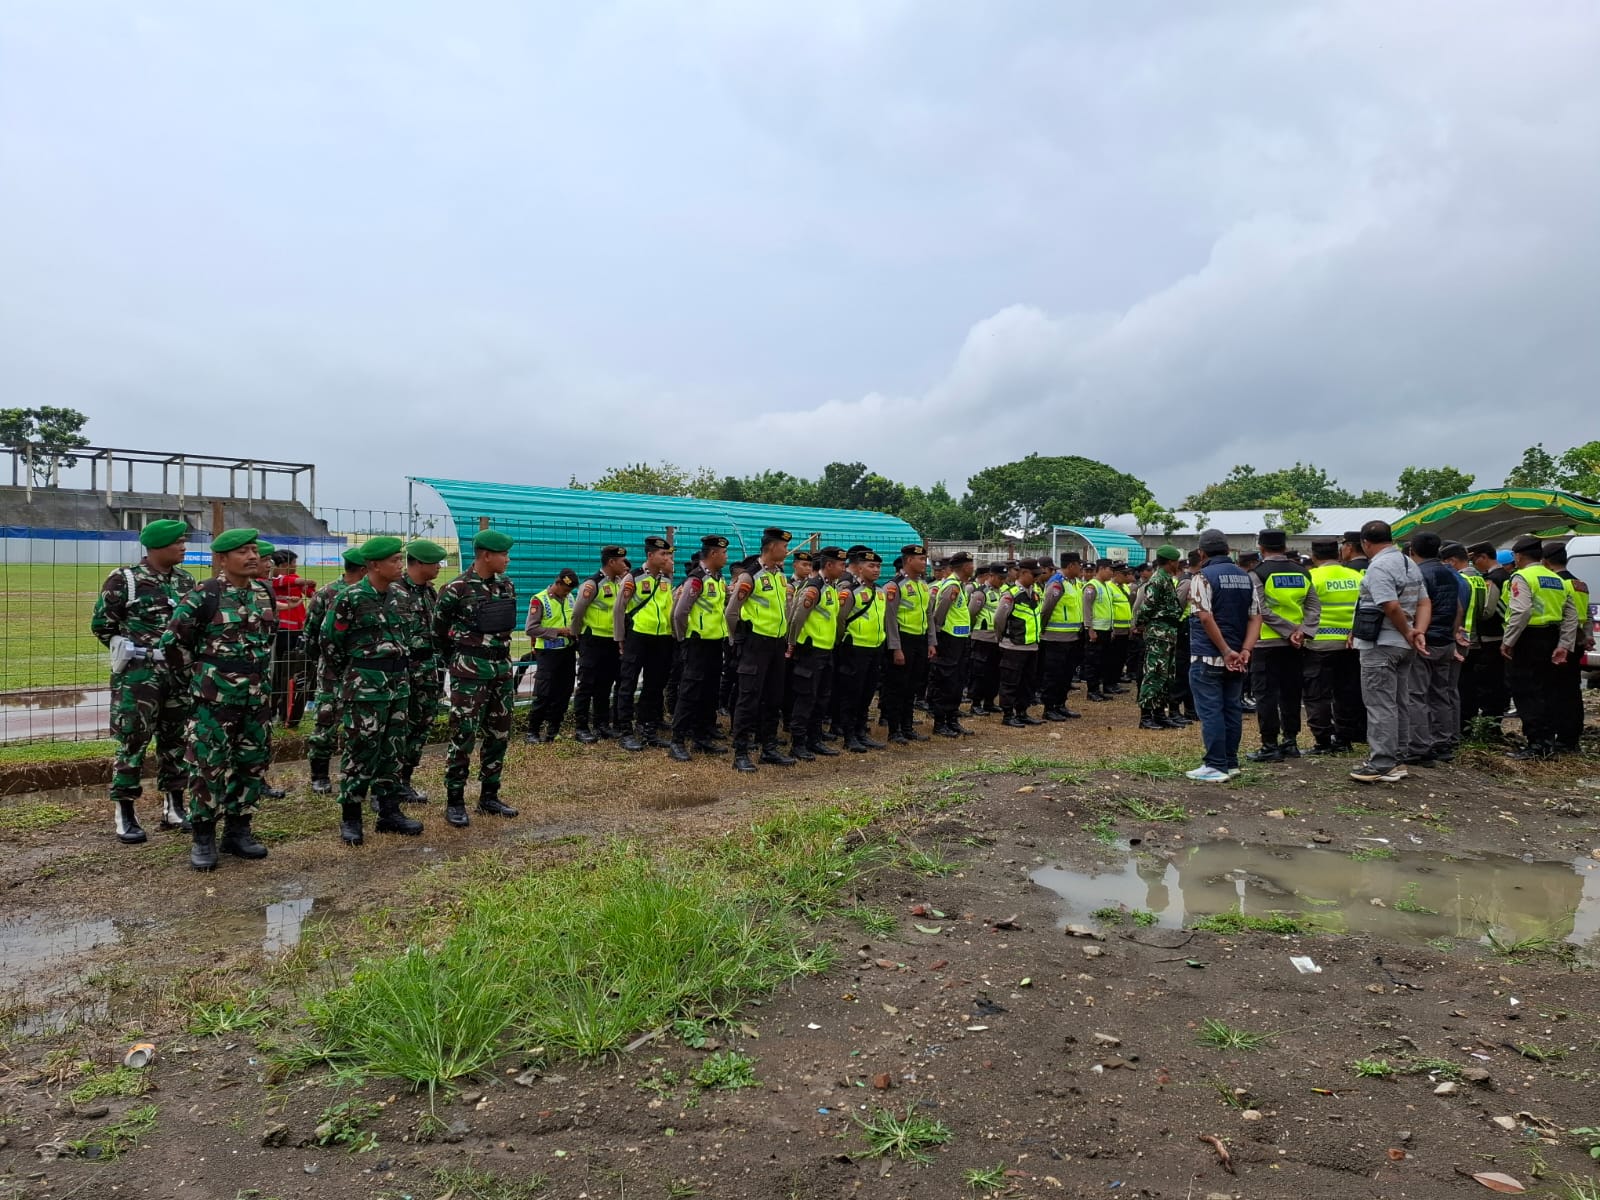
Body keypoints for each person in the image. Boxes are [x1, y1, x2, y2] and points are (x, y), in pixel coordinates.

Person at [158, 528, 277, 870]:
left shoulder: (264, 592)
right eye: (243, 551)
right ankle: (203, 837)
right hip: (214, 701)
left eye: (254, 550)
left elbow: (267, 638)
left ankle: (239, 831)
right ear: (223, 559)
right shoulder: (205, 594)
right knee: (208, 767)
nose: (252, 556)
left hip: (256, 699)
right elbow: (173, 643)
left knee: (251, 763)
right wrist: (198, 680)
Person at [91, 519, 197, 843]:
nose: (184, 547)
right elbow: (102, 625)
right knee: (133, 741)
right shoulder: (125, 579)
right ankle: (125, 812)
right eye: (178, 542)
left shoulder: (185, 580)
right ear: (158, 546)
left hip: (178, 673)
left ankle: (174, 807)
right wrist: (134, 650)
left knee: (176, 740)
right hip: (139, 675)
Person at [320, 537, 424, 845]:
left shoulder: (402, 596)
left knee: (393, 749)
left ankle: (389, 811)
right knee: (361, 751)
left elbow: (408, 637)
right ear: (374, 565)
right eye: (394, 560)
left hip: (398, 685)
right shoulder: (350, 598)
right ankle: (351, 817)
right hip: (364, 686)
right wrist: (354, 675)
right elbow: (330, 642)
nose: (400, 565)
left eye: (400, 559)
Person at [434, 528, 520, 825]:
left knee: (499, 734)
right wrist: (459, 660)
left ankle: (489, 796)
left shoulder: (506, 585)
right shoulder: (456, 589)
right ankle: (455, 801)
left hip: (501, 669)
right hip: (469, 671)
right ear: (485, 555)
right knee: (464, 734)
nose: (508, 559)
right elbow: (438, 631)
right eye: (503, 554)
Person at [1348, 520, 1429, 784]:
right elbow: (1424, 602)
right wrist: (1418, 632)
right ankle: (1398, 759)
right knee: (1399, 702)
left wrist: (1407, 631)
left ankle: (1381, 763)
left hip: (1381, 645)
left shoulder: (1379, 566)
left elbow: (1390, 606)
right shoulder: (1409, 563)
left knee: (1380, 704)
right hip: (1404, 646)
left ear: (1365, 543)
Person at [1184, 530, 1261, 782]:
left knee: (1211, 711)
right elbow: (1256, 617)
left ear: (1201, 553)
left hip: (1209, 656)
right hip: (1238, 657)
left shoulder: (1202, 577)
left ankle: (1215, 765)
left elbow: (1205, 617)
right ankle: (1230, 762)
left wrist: (1225, 650)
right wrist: (1245, 650)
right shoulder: (1245, 577)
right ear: (1228, 551)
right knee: (1231, 709)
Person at [1501, 535, 1579, 760]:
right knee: (1548, 691)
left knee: (1526, 692)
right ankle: (1548, 742)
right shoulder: (1555, 578)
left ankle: (1536, 745)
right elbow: (1571, 615)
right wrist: (1564, 644)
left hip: (1528, 639)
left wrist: (1508, 641)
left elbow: (1522, 611)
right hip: (1552, 637)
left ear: (1518, 556)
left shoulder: (1522, 577)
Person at [727, 527, 795, 772]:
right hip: (755, 644)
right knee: (749, 699)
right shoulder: (750, 576)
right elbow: (731, 612)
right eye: (784, 546)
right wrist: (737, 640)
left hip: (776, 643)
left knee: (774, 697)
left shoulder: (779, 575)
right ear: (772, 547)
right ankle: (741, 753)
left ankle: (769, 748)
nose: (787, 551)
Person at [304, 548, 368, 794]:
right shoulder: (328, 593)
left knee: (363, 724)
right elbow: (311, 634)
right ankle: (319, 775)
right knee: (326, 720)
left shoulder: (372, 593)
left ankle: (357, 772)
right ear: (363, 569)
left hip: (362, 670)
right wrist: (325, 661)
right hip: (332, 670)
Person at [1245, 530, 1310, 762]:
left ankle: (1270, 745)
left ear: (1261, 548)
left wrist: (1287, 630)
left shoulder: (1258, 574)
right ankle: (1290, 742)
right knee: (1292, 692)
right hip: (1296, 644)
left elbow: (1260, 609)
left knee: (1266, 695)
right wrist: (1300, 631)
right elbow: (1314, 606)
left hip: (1266, 642)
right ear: (1285, 547)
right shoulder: (1303, 572)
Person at [391, 539, 447, 799]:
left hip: (427, 669)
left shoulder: (429, 593)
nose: (439, 567)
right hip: (401, 670)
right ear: (420, 563)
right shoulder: (395, 591)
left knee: (421, 725)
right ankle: (386, 784)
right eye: (435, 562)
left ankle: (404, 779)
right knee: (396, 727)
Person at [669, 535, 731, 760]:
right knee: (690, 691)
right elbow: (679, 613)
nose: (726, 557)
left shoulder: (718, 579)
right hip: (697, 644)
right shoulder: (697, 580)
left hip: (715, 642)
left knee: (709, 691)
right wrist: (683, 639)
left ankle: (702, 737)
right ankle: (677, 740)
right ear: (713, 554)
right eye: (723, 553)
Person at [1405, 532, 1464, 766]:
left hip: (1424, 641)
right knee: (1441, 693)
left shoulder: (1417, 574)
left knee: (1416, 695)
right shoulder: (1450, 573)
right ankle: (1443, 743)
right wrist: (1453, 634)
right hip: (1445, 642)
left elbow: (1415, 607)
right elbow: (1458, 609)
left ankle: (1419, 746)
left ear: (1412, 551)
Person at [1301, 538, 1364, 754]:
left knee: (1317, 695)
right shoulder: (1356, 577)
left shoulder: (1311, 577)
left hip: (1318, 645)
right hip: (1350, 644)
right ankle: (1344, 739)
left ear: (1313, 555)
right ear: (1338, 554)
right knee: (1347, 693)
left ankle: (1323, 741)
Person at [614, 536, 677, 752]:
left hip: (661, 638)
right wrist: (620, 638)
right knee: (628, 683)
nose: (667, 557)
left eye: (668, 554)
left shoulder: (666, 579)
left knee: (655, 685)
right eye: (663, 554)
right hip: (638, 636)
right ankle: (625, 731)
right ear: (650, 555)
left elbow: (668, 607)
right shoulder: (633, 578)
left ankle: (648, 728)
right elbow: (619, 609)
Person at [787, 546, 848, 759]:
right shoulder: (814, 587)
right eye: (841, 564)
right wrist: (792, 643)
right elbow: (797, 618)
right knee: (806, 697)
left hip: (826, 650)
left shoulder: (830, 587)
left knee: (822, 698)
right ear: (828, 565)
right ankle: (798, 743)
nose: (844, 568)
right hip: (810, 651)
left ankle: (814, 739)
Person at [569, 546, 629, 743]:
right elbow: (577, 613)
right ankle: (581, 727)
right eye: (621, 561)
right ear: (611, 562)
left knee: (605, 684)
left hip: (611, 641)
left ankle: (601, 724)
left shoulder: (618, 583)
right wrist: (577, 637)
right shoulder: (592, 584)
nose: (624, 564)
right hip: (593, 641)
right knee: (586, 684)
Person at [834, 547, 888, 753]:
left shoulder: (880, 593)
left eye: (878, 566)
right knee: (852, 693)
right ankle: (849, 736)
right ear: (859, 568)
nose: (876, 570)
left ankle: (861, 731)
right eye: (871, 566)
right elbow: (840, 620)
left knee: (867, 693)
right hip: (855, 649)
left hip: (875, 648)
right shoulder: (850, 592)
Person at [880, 545, 934, 743]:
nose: (924, 563)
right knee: (897, 686)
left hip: (920, 640)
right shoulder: (895, 586)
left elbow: (928, 614)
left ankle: (908, 726)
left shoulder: (923, 585)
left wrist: (931, 641)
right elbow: (890, 619)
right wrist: (896, 648)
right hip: (902, 640)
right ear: (909, 560)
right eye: (921, 559)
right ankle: (894, 730)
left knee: (913, 685)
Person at [523, 567, 580, 744]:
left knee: (564, 692)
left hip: (567, 651)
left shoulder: (570, 598)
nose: (567, 593)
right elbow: (531, 628)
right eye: (565, 589)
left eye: (570, 591)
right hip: (548, 653)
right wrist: (559, 631)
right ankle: (532, 731)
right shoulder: (539, 599)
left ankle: (553, 730)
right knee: (544, 693)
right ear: (557, 583)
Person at [1544, 541, 1591, 754]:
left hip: (1560, 642)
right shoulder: (1580, 583)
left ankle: (1562, 737)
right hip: (1577, 643)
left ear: (1546, 562)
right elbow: (1587, 613)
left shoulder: (1556, 584)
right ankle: (1571, 737)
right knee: (1572, 691)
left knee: (1557, 692)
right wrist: (1588, 636)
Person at [924, 551, 976, 737]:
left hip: (960, 639)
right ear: (964, 567)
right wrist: (939, 637)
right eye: (971, 564)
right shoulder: (952, 586)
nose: (973, 567)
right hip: (949, 640)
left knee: (958, 680)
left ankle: (952, 719)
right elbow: (939, 614)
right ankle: (940, 722)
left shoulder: (960, 585)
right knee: (946, 681)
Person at [1135, 546, 1185, 729]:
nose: (1178, 564)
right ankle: (1146, 716)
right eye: (1176, 561)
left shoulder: (1166, 579)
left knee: (1166, 675)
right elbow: (1147, 607)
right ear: (1170, 562)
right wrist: (1141, 624)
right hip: (1158, 633)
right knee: (1154, 673)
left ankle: (1159, 713)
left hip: (1168, 632)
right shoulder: (1158, 580)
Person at [1463, 541, 1509, 733]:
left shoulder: (1493, 579)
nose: (1473, 565)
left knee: (1489, 684)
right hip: (1504, 635)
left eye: (1474, 560)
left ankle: (1490, 727)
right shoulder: (1507, 575)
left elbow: (1487, 611)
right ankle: (1494, 724)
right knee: (1499, 682)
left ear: (1483, 557)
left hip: (1491, 637)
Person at [268, 548, 317, 726]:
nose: (296, 566)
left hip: (298, 629)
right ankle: (278, 706)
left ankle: (299, 701)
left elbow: (311, 593)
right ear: (283, 565)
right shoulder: (275, 580)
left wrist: (309, 588)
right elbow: (289, 581)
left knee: (299, 666)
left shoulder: (293, 580)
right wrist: (304, 582)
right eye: (294, 563)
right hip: (283, 631)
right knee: (281, 669)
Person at [992, 559, 1042, 726]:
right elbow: (999, 619)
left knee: (1027, 682)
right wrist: (1001, 637)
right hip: (1013, 646)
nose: (1037, 578)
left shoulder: (1035, 593)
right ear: (1023, 573)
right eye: (1034, 575)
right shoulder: (1011, 594)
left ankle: (1022, 712)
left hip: (1031, 646)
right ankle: (1008, 714)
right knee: (1010, 682)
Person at [1037, 554, 1085, 721]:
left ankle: (1060, 704)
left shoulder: (1074, 583)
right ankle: (1049, 708)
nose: (1081, 568)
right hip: (1055, 637)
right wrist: (1042, 630)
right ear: (1071, 565)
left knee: (1066, 674)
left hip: (1072, 636)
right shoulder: (1057, 583)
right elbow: (1046, 609)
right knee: (1053, 674)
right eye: (1079, 565)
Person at [965, 563, 1004, 717]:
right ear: (991, 576)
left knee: (994, 672)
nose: (1002, 581)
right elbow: (971, 614)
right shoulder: (981, 593)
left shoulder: (1002, 592)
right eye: (1000, 578)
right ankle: (975, 703)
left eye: (1004, 578)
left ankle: (989, 701)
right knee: (979, 672)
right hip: (982, 638)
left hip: (997, 639)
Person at [1080, 560, 1116, 701]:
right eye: (1110, 570)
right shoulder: (1092, 586)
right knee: (1093, 661)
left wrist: (1111, 628)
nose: (1112, 573)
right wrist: (1089, 628)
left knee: (1102, 661)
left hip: (1105, 629)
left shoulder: (1106, 586)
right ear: (1101, 569)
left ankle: (1098, 689)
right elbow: (1087, 609)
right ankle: (1092, 690)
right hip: (1095, 630)